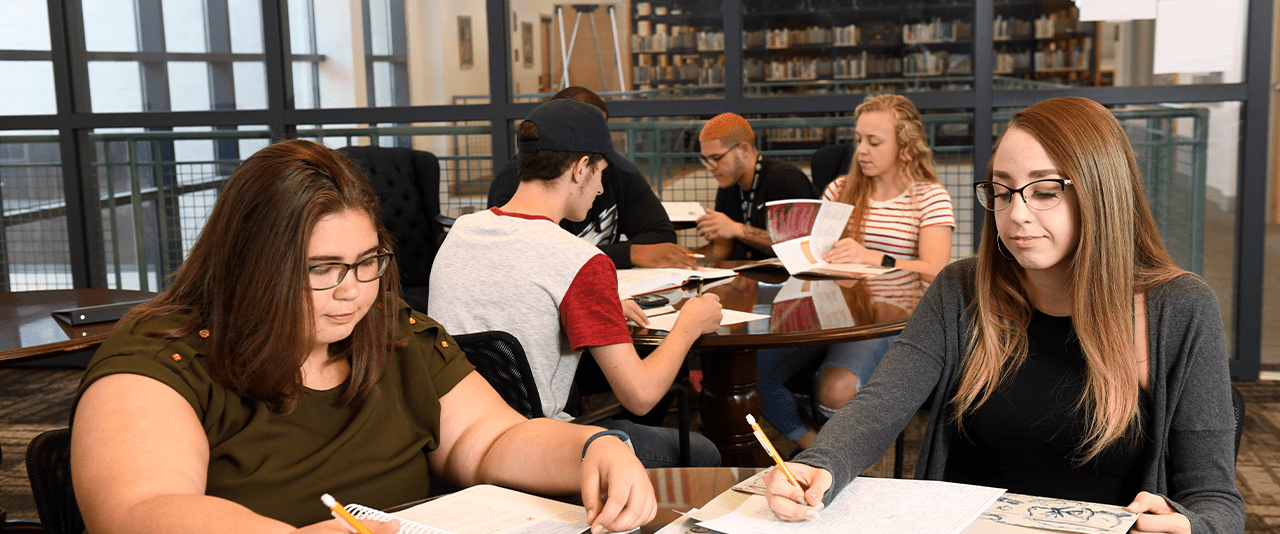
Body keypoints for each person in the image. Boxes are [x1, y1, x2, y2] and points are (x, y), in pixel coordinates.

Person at [69, 139, 656, 534]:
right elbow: (139, 510)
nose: (353, 291)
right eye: (321, 269)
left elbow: (489, 439)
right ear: (250, 263)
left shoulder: (393, 334)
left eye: (368, 261)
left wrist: (592, 448)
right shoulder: (157, 362)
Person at [763, 97, 1244, 534]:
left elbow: (1216, 501)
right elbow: (881, 403)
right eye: (1003, 190)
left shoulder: (1179, 308)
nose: (1016, 214)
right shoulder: (960, 290)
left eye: (1045, 191)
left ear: (1104, 191)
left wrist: (1190, 525)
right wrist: (821, 463)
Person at [430, 99, 725, 468]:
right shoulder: (579, 261)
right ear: (581, 168)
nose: (601, 189)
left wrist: (584, 314)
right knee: (704, 452)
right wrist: (690, 323)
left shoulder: (461, 231)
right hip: (536, 452)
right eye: (601, 172)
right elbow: (641, 396)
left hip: (450, 445)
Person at [757, 94, 955, 450]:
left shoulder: (929, 197)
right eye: (859, 139)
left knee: (837, 389)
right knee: (752, 375)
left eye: (874, 141)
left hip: (889, 320)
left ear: (904, 145)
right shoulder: (839, 191)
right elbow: (821, 257)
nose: (861, 150)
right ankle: (818, 451)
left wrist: (877, 258)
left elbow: (936, 272)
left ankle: (834, 457)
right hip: (829, 313)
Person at [488, 86, 700, 270]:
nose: (599, 189)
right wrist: (629, 253)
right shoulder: (520, 184)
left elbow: (661, 240)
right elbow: (537, 258)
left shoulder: (615, 170)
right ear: (580, 168)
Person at [694, 112, 817, 261]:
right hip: (752, 276)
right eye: (705, 159)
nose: (709, 167)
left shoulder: (784, 178)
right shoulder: (728, 184)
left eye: (716, 158)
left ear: (744, 149)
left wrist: (737, 229)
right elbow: (721, 250)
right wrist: (683, 255)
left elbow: (798, 246)